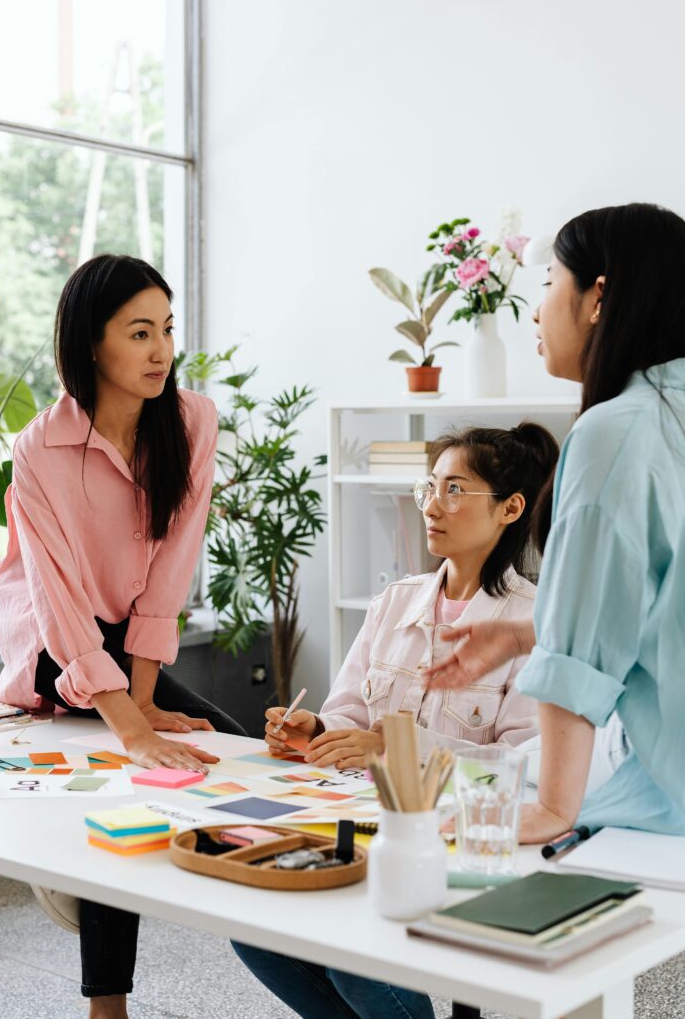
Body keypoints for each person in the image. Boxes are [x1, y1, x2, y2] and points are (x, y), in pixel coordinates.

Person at [0, 254, 246, 1019]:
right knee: (139, 768)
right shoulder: (39, 449)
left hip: (128, 633)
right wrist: (132, 729)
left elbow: (169, 573)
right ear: (91, 344)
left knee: (239, 760)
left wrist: (143, 700)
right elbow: (57, 601)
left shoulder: (193, 421)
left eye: (167, 329)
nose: (161, 349)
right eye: (139, 333)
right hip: (50, 644)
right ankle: (110, 1008)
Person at [232, 421, 558, 1019]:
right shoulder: (393, 603)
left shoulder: (534, 624)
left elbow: (526, 771)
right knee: (254, 927)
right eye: (429, 487)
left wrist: (398, 749)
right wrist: (317, 733)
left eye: (455, 490)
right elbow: (348, 711)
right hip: (356, 822)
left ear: (511, 508)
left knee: (354, 955)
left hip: (454, 842)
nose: (433, 506)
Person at [424, 202, 685, 842]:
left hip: (662, 796)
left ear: (600, 296)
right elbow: (657, 600)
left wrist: (554, 810)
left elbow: (582, 647)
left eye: (546, 284)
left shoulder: (614, 431)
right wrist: (523, 633)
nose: (537, 310)